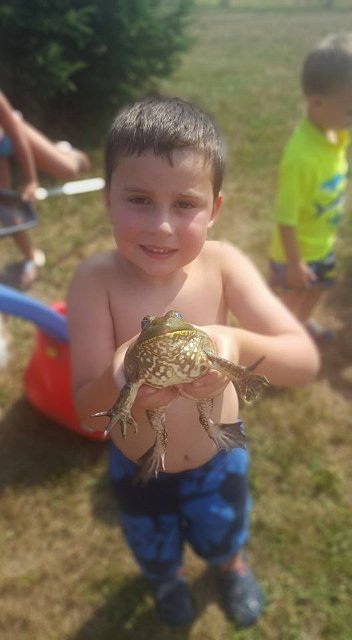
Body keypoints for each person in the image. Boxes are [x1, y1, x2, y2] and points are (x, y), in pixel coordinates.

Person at [67, 97, 320, 628]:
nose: (161, 226)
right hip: (138, 463)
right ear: (107, 198)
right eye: (138, 198)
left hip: (218, 454)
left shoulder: (224, 265)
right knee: (151, 541)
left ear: (215, 209)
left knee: (224, 528)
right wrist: (123, 373)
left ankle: (230, 564)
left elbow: (303, 362)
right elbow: (84, 407)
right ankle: (167, 578)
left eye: (184, 205)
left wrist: (232, 342)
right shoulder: (95, 281)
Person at [268, 33, 352, 345]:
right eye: (350, 111)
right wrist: (293, 264)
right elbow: (285, 219)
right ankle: (278, 344)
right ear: (316, 101)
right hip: (297, 253)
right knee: (287, 304)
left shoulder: (335, 133)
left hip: (323, 245)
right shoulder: (300, 157)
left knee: (320, 288)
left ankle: (301, 324)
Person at [0, 90, 90, 287]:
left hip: (14, 134)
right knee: (6, 210)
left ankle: (68, 153)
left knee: (66, 170)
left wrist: (30, 180)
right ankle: (31, 257)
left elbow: (16, 133)